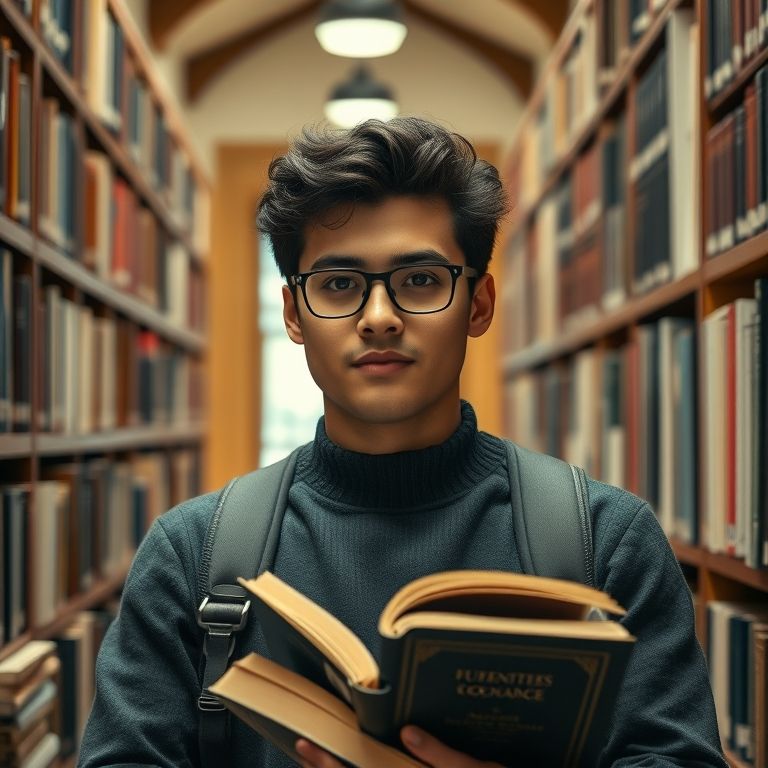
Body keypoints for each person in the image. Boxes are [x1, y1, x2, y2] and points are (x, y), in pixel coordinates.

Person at [78, 117, 726, 768]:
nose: (380, 317)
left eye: (419, 280)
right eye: (339, 285)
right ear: (294, 314)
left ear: (478, 304)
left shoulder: (606, 543)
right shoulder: (191, 557)